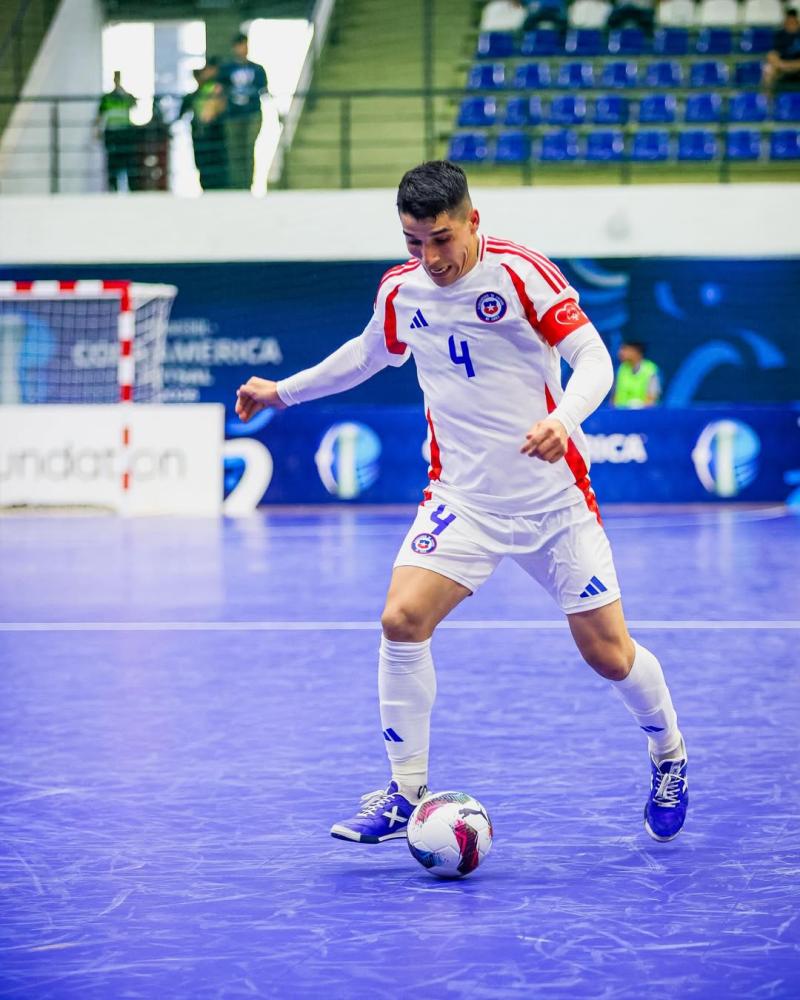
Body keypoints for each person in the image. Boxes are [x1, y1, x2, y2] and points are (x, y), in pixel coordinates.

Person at [235, 161, 688, 846]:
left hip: (554, 502)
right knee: (401, 618)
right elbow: (364, 356)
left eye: (441, 239)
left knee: (608, 653)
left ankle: (669, 753)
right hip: (463, 501)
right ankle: (404, 791)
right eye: (414, 242)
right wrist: (283, 391)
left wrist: (564, 420)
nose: (430, 258)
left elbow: (595, 359)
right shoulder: (402, 290)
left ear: (473, 221)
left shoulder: (520, 274)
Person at [218, 32, 268, 190]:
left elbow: (264, 91)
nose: (243, 49)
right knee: (234, 150)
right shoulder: (226, 69)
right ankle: (236, 185)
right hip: (232, 115)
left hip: (252, 113)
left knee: (248, 149)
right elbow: (219, 90)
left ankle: (248, 184)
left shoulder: (257, 69)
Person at [179, 60, 228, 191]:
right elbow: (182, 111)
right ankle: (206, 188)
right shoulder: (194, 95)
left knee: (215, 164)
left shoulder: (215, 88)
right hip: (199, 135)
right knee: (202, 165)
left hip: (213, 134)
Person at [96, 71, 137, 192]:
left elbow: (134, 104)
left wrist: (122, 92)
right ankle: (113, 188)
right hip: (112, 133)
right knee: (113, 164)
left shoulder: (125, 96)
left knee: (128, 163)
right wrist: (97, 131)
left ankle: (131, 188)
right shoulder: (107, 98)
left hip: (125, 133)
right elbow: (100, 115)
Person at [612, 340, 661, 408]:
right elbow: (614, 398)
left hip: (642, 415)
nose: (620, 352)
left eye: (625, 349)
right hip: (620, 414)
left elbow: (652, 399)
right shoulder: (621, 369)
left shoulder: (650, 369)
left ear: (636, 351)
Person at [763, 9, 800, 90]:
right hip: (782, 68)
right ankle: (768, 102)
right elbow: (772, 55)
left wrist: (789, 65)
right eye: (788, 20)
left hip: (797, 67)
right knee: (768, 70)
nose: (790, 22)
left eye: (793, 20)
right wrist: (781, 65)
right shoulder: (779, 35)